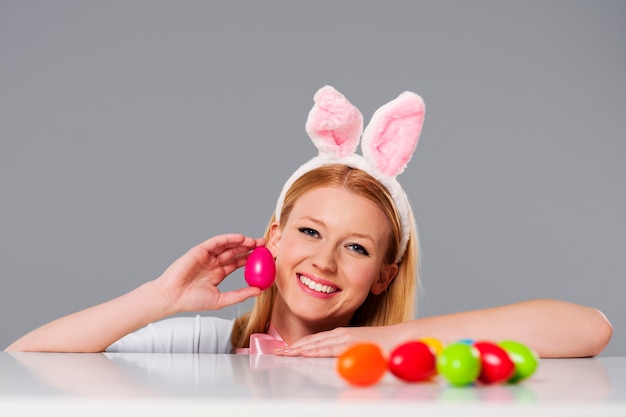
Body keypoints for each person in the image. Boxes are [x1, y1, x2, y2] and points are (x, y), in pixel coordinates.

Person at [5, 86, 612, 358]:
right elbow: (24, 360)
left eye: (355, 247)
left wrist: (384, 340)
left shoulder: (401, 355)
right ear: (274, 237)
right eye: (310, 233)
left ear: (382, 274)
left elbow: (589, 330)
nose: (323, 261)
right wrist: (160, 297)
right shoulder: (209, 347)